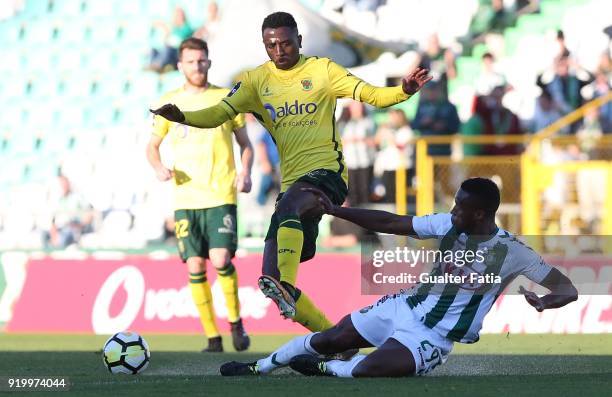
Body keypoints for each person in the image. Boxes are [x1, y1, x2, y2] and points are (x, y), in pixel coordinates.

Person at [150, 11, 432, 334]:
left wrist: (403, 91)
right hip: (292, 186)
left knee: (286, 236)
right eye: (272, 45)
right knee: (268, 279)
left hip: (328, 174)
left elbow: (372, 94)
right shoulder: (256, 82)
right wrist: (183, 116)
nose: (280, 50)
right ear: (264, 46)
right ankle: (333, 338)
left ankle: (286, 284)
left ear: (299, 40)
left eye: (286, 43)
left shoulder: (322, 70)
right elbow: (219, 113)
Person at [220, 177, 578, 377]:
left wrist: (545, 301)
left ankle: (326, 370)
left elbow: (568, 288)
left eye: (460, 207)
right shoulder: (447, 224)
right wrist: (337, 211)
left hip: (435, 337)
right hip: (406, 306)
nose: (452, 211)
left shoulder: (513, 252)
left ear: (480, 213)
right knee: (333, 337)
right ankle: (259, 367)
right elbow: (392, 222)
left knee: (370, 369)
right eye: (454, 204)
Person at [146, 37, 253, 353]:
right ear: (180, 66)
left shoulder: (226, 98)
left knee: (220, 258)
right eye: (191, 61)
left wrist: (245, 171)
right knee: (194, 266)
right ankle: (212, 338)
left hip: (220, 194)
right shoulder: (169, 103)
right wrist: (158, 167)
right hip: (185, 199)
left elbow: (245, 143)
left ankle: (235, 322)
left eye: (202, 60)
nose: (197, 66)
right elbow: (151, 147)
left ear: (209, 61)